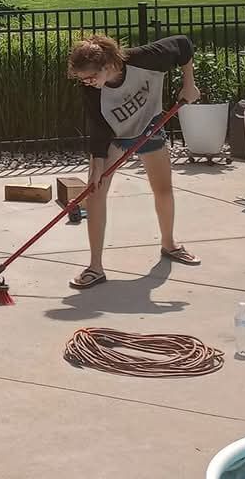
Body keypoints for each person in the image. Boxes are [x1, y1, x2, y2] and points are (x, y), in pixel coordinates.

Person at [65, 33, 201, 289]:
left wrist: (189, 84)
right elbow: (97, 127)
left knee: (162, 189)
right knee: (95, 192)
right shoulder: (91, 90)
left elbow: (183, 44)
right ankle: (95, 267)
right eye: (82, 79)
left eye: (91, 76)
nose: (87, 82)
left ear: (107, 65)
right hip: (115, 136)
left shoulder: (145, 59)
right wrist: (96, 167)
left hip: (149, 126)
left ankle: (169, 244)